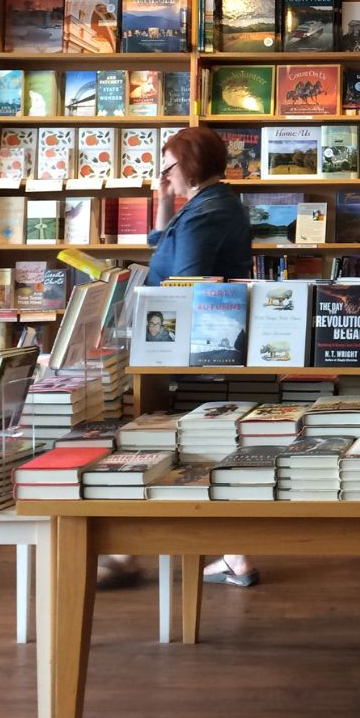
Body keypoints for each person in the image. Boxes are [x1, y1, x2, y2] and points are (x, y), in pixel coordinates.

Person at [100, 128, 258, 590]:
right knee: (207, 446)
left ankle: (127, 551)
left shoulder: (205, 214)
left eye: (167, 168)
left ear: (189, 164)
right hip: (205, 343)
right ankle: (235, 556)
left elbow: (184, 285)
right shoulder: (211, 206)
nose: (163, 177)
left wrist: (135, 296)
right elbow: (163, 240)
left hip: (190, 346)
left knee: (166, 441)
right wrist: (166, 202)